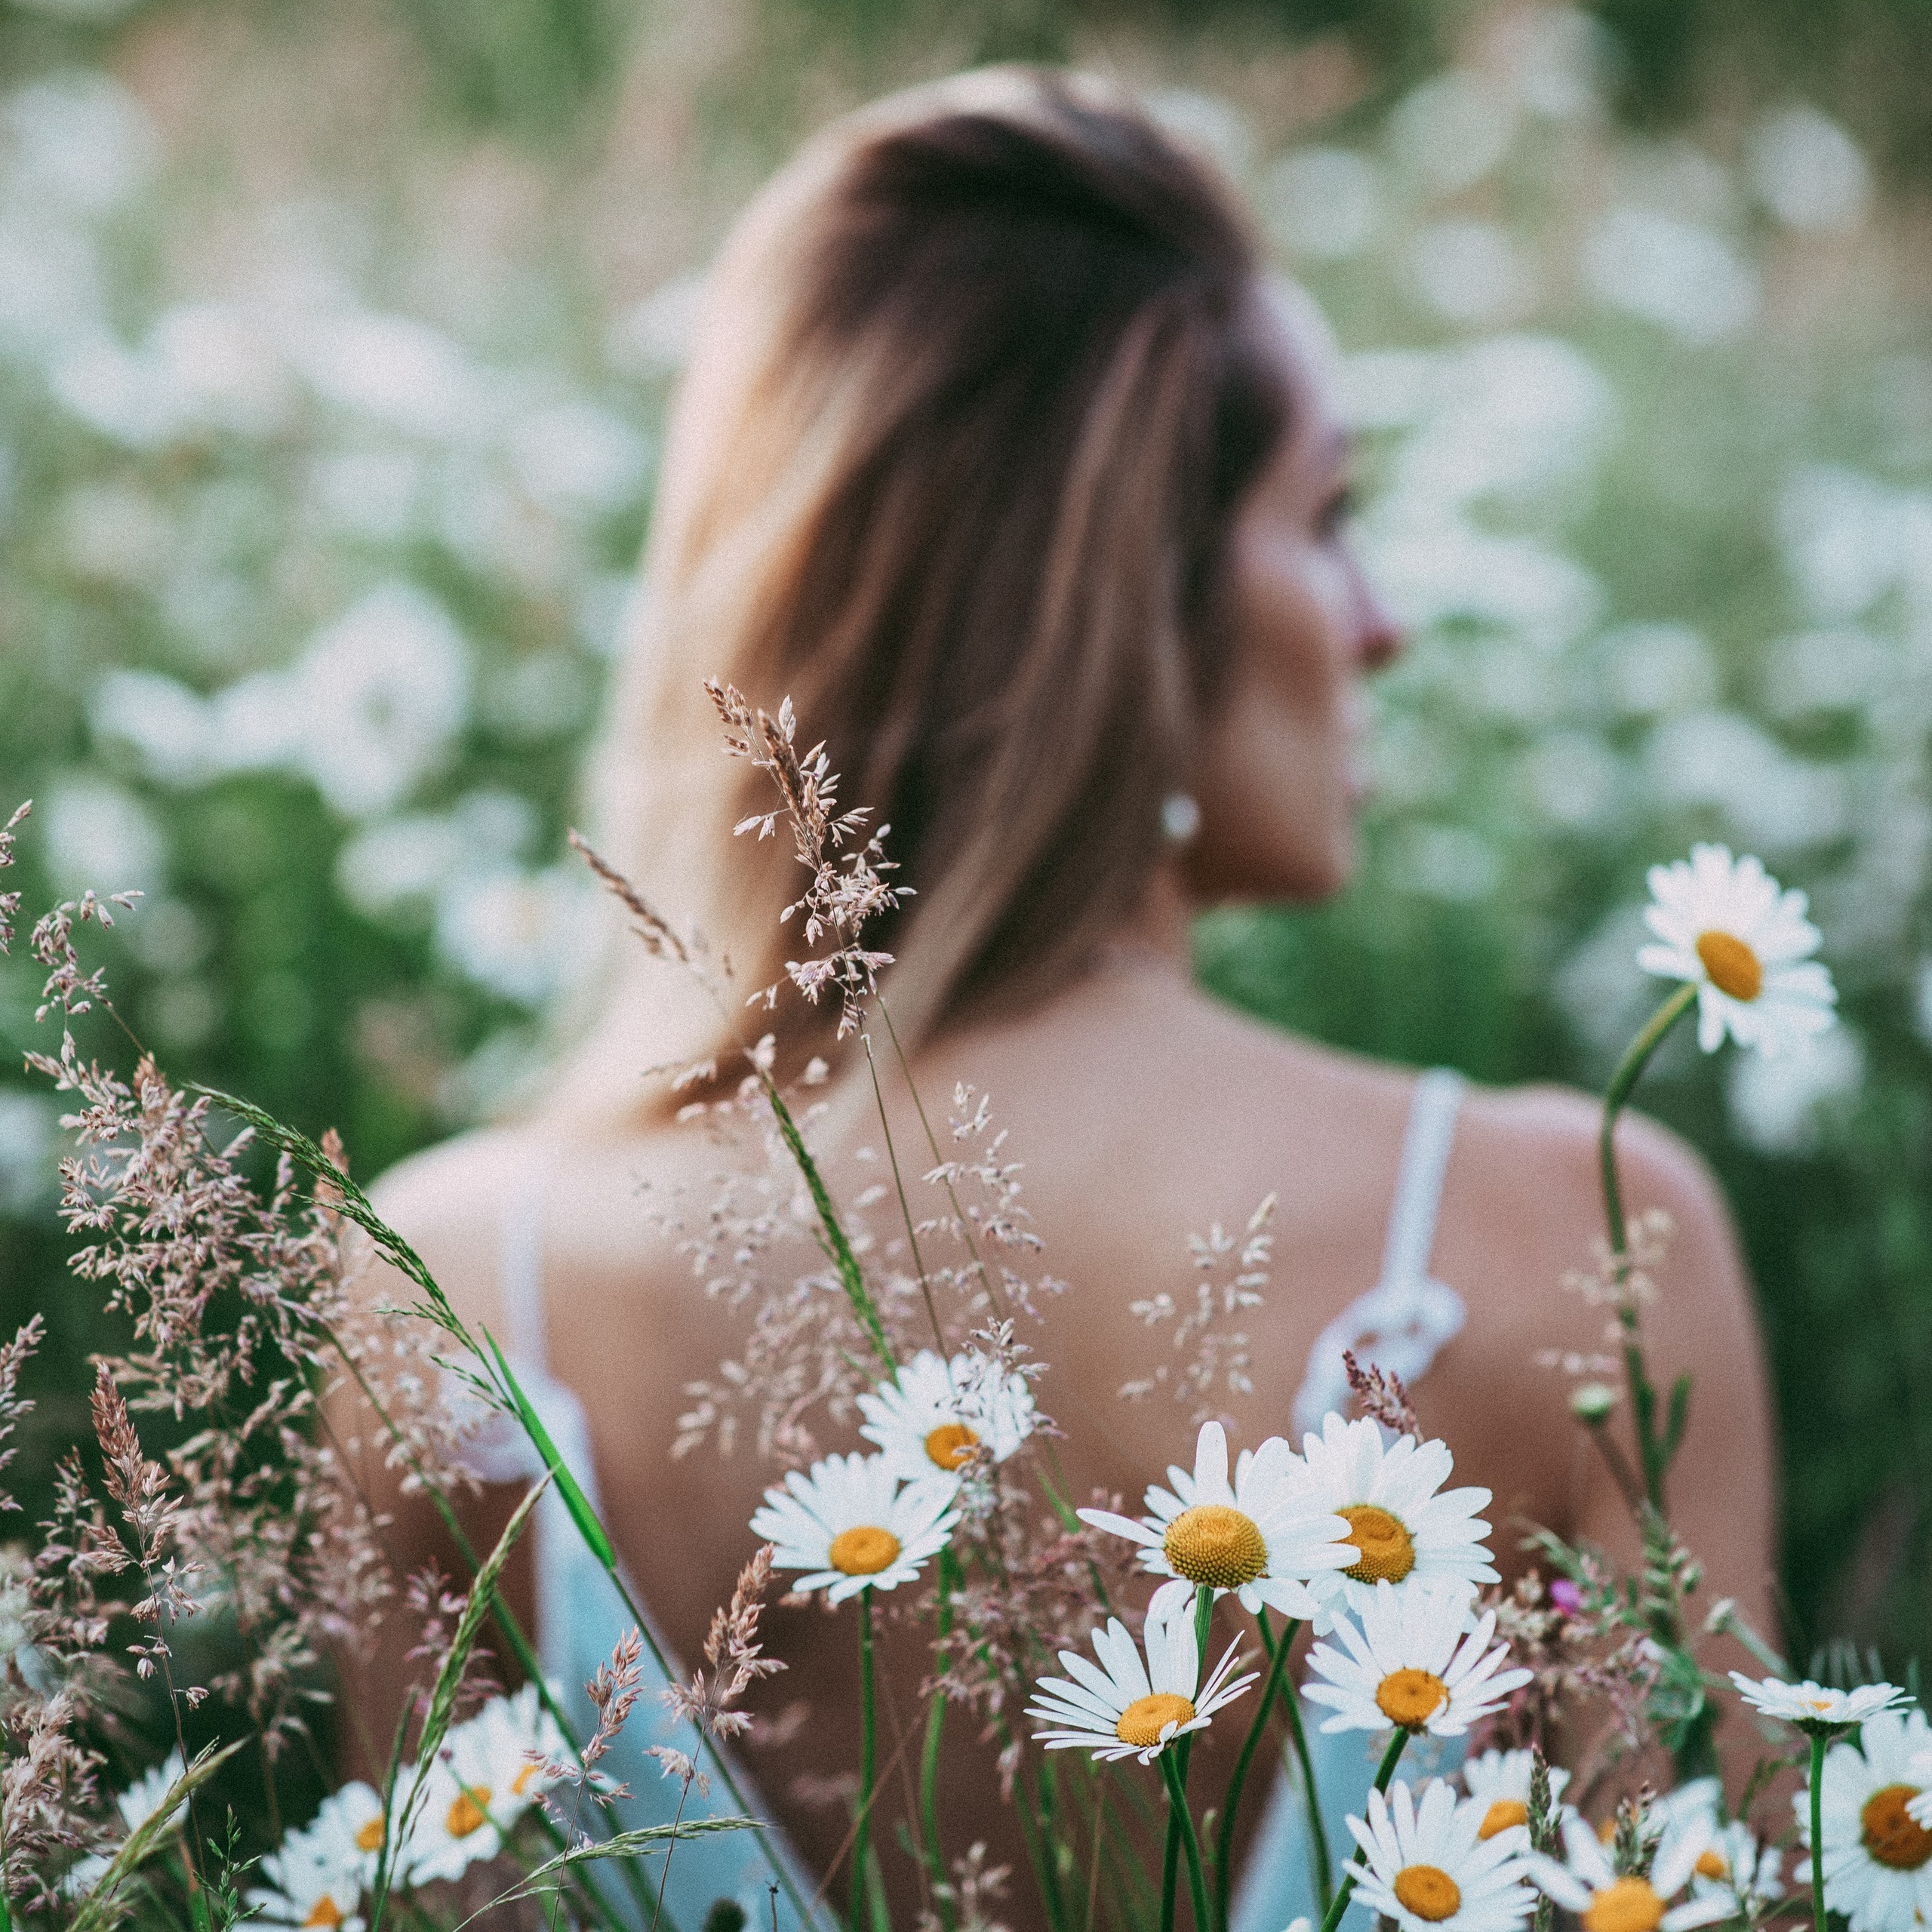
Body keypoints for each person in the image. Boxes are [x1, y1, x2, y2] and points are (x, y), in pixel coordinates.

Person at [346, 66, 1777, 1929]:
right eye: (1326, 514)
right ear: (1132, 601)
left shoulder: (444, 1286)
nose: (1383, 622)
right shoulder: (1568, 1237)